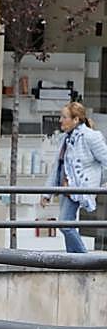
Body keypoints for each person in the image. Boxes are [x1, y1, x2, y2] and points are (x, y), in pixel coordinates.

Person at [41, 101, 107, 253]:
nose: (60, 120)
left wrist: (101, 181)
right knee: (66, 224)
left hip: (79, 187)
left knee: (65, 224)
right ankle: (75, 259)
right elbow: (57, 168)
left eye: (64, 117)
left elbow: (105, 160)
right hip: (66, 187)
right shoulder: (65, 139)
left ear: (75, 120)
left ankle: (83, 257)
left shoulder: (90, 137)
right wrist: (47, 193)